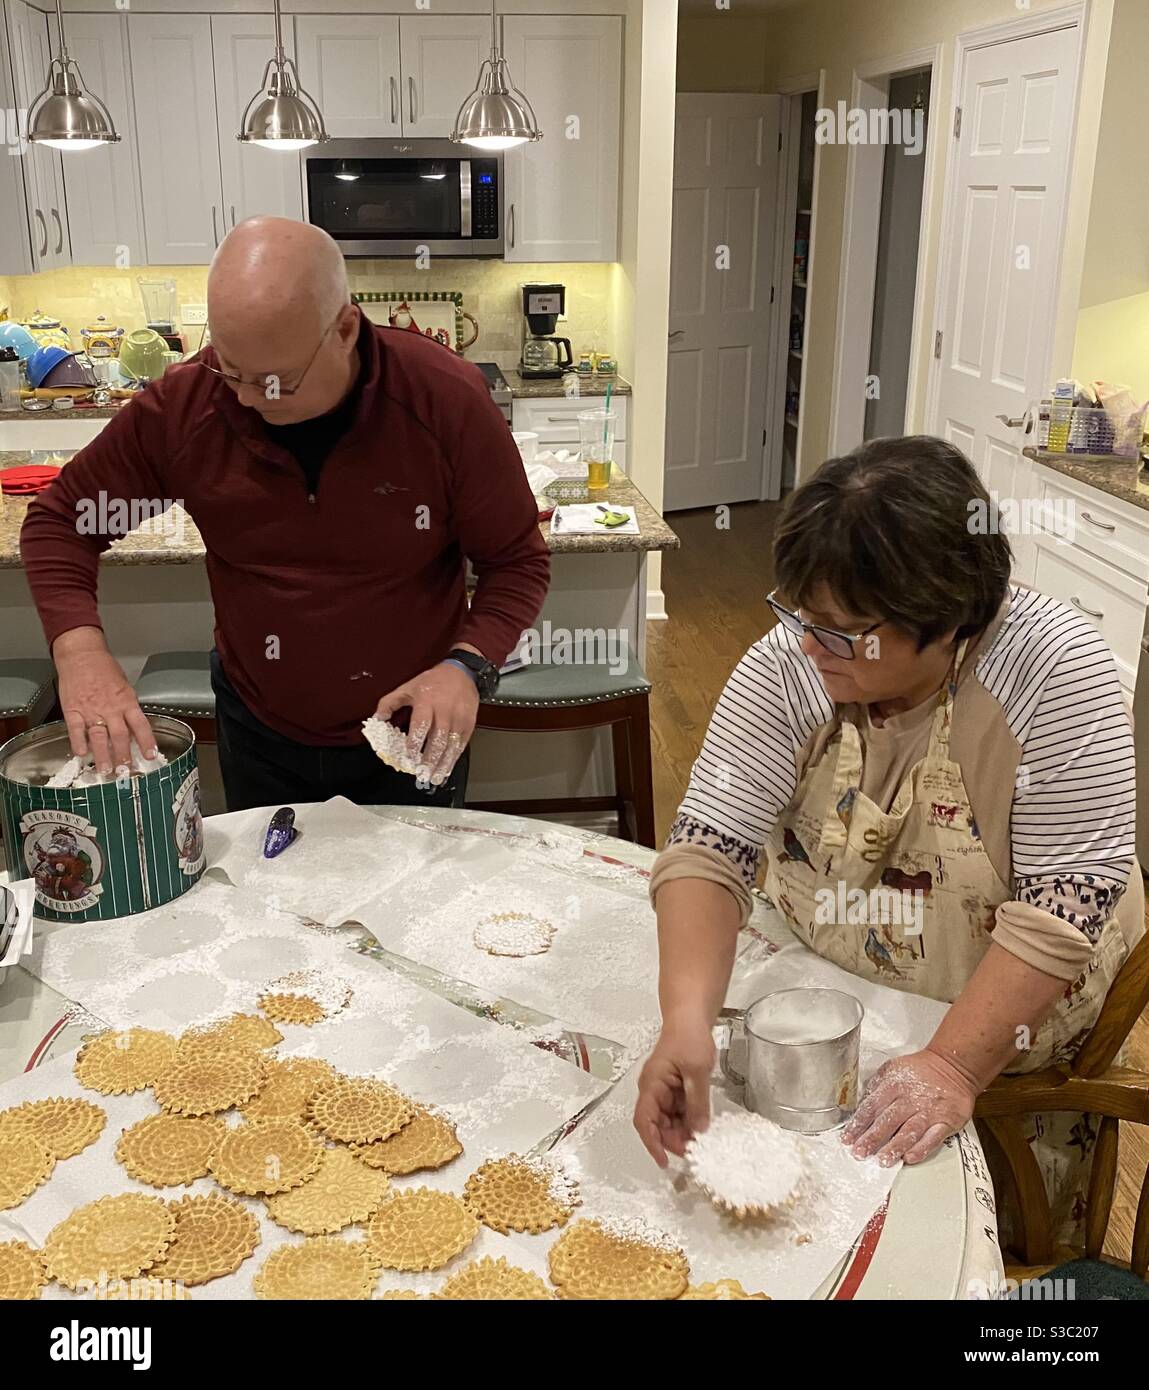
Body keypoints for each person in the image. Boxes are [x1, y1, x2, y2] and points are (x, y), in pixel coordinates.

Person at [635, 435, 1144, 1245]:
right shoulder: (798, 657)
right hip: (831, 981)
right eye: (801, 615)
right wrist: (686, 1022)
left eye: (838, 630)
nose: (807, 645)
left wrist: (949, 1067)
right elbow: (710, 844)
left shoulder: (1055, 671)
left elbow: (1061, 907)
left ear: (945, 621)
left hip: (998, 1011)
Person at [21, 217, 549, 811]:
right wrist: (81, 655)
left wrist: (468, 666)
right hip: (261, 729)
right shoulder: (187, 407)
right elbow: (62, 522)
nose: (247, 397)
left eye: (275, 381)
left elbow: (516, 563)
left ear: (346, 329)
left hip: (412, 726)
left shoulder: (442, 400)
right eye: (231, 370)